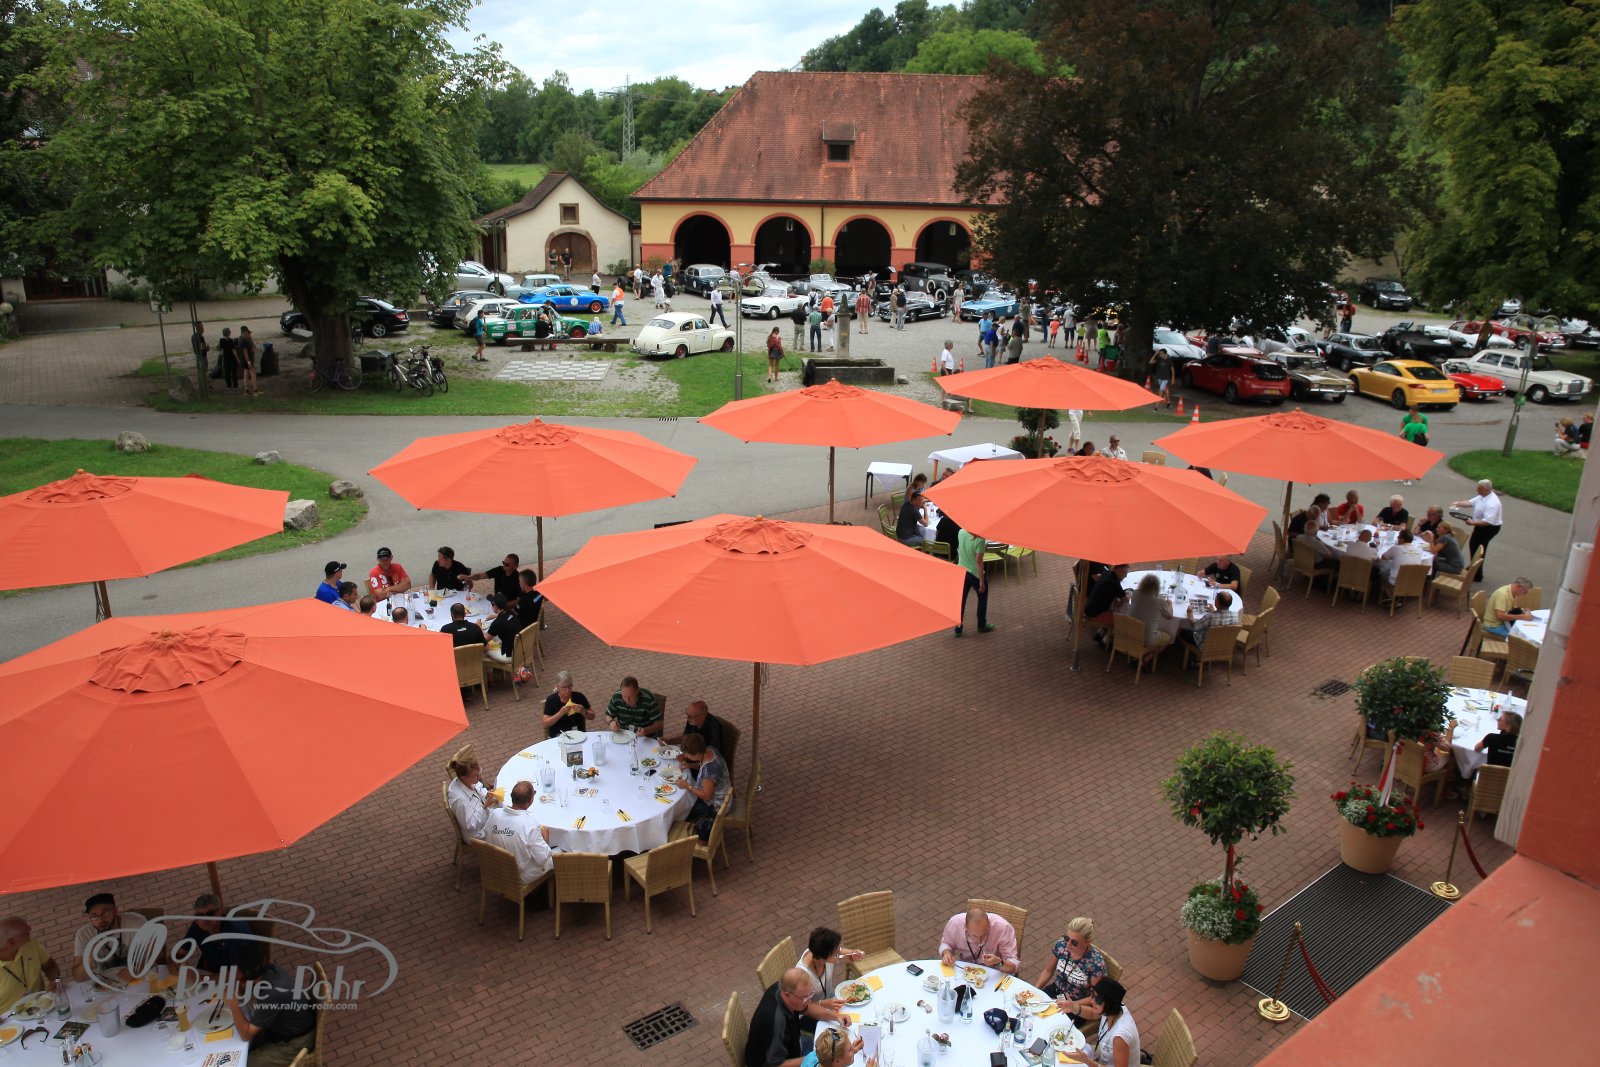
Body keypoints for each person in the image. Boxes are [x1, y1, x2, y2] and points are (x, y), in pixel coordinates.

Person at [221, 934, 317, 1067]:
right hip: (284, 1027)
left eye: (237, 969)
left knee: (245, 1062)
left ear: (246, 973)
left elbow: (246, 1034)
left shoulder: (270, 994)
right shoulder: (271, 969)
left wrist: (233, 1004)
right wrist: (242, 984)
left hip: (297, 1041)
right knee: (234, 1044)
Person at [796, 928, 863, 1047]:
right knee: (842, 1034)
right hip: (807, 1015)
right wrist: (824, 1005)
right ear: (824, 957)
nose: (839, 954)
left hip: (827, 1001)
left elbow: (841, 951)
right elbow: (802, 1007)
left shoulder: (818, 951)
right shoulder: (802, 976)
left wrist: (852, 953)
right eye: (836, 953)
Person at [482, 781, 553, 884]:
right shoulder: (530, 825)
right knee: (558, 854)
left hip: (495, 866)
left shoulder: (494, 813)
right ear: (531, 800)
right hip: (520, 875)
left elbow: (485, 834)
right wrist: (545, 839)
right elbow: (542, 858)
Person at [1036, 917, 1107, 1019]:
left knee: (1049, 1022)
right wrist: (1035, 990)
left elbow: (1094, 996)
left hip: (1077, 1003)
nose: (1068, 945)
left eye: (1074, 942)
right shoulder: (1061, 945)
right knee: (1030, 1010)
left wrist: (1072, 1005)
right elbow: (1048, 971)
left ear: (1087, 942)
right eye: (1067, 938)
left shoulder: (1096, 964)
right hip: (1056, 990)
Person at [72, 893, 151, 981]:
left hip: (139, 980)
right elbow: (77, 977)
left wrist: (136, 971)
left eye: (105, 912)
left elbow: (157, 954)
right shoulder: (84, 934)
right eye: (94, 916)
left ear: (115, 910)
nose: (101, 920)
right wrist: (86, 963)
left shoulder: (136, 922)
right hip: (106, 983)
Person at [745, 968, 814, 1067]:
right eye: (805, 997)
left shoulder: (783, 987)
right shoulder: (777, 1022)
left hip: (792, 1045)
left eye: (811, 994)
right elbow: (775, 1064)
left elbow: (807, 1008)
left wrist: (834, 1016)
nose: (809, 1001)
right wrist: (813, 1058)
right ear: (788, 995)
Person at [180, 894, 251, 976]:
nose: (205, 919)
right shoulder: (197, 926)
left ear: (220, 912)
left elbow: (239, 973)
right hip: (213, 971)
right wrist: (177, 964)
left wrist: (204, 979)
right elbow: (179, 954)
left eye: (210, 914)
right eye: (200, 915)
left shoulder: (235, 932)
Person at [673, 733, 729, 836]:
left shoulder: (708, 772)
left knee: (682, 807)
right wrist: (689, 765)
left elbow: (707, 797)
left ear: (696, 753)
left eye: (687, 754)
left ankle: (688, 833)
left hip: (715, 806)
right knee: (686, 799)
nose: (685, 756)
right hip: (724, 796)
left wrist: (687, 786)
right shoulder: (710, 750)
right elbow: (702, 765)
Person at [937, 906, 1021, 975]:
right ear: (965, 927)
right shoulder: (955, 924)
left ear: (989, 925)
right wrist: (946, 953)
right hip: (965, 970)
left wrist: (999, 962)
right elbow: (946, 943)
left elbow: (1013, 966)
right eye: (974, 936)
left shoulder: (1003, 928)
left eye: (984, 934)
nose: (979, 941)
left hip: (994, 973)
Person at [0, 917, 60, 1013]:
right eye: (25, 929)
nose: (30, 928)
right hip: (9, 1018)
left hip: (42, 1007)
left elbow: (49, 965)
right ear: (11, 942)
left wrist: (55, 981)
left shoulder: (30, 944)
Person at [1076, 978, 1139, 1067]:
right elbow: (1093, 1014)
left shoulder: (1120, 1037)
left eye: (1098, 1000)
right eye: (1092, 995)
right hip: (1103, 1057)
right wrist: (1074, 1008)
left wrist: (1087, 1061)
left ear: (1110, 1003)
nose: (1092, 1001)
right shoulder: (1113, 1010)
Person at [1451, 479, 1503, 582]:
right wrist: (1458, 503)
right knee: (1474, 545)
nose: (1477, 490)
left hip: (1489, 528)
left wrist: (1472, 523)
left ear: (1487, 489)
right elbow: (1470, 502)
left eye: (1480, 489)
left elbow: (1488, 522)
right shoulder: (1482, 496)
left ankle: (1477, 574)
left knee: (1478, 548)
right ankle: (1474, 568)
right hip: (1481, 525)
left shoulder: (1492, 503)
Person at [1121, 574, 1175, 660]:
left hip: (1130, 631)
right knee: (1169, 637)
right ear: (1157, 587)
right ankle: (1146, 658)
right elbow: (1169, 616)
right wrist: (1170, 604)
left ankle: (1137, 652)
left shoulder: (1135, 593)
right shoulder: (1159, 600)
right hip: (1147, 638)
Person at [445, 746, 494, 841]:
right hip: (477, 835)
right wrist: (485, 806)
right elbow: (470, 825)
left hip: (486, 819)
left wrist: (486, 795)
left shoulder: (468, 781)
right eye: (475, 776)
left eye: (479, 773)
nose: (479, 778)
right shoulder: (460, 800)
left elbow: (480, 789)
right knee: (509, 831)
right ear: (464, 778)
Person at [954, 525, 996, 637]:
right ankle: (981, 624)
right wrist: (981, 581)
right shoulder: (980, 540)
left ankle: (958, 628)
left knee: (961, 600)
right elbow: (979, 562)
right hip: (975, 574)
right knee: (982, 598)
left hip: (963, 571)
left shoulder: (961, 532)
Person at [1086, 563, 1131, 644]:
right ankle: (1106, 641)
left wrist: (1117, 598)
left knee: (1114, 607)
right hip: (1096, 614)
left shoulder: (1106, 574)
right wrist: (1129, 594)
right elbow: (1127, 600)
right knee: (1120, 618)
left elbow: (1111, 592)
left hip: (1089, 607)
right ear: (1119, 570)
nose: (1125, 576)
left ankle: (1100, 633)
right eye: (1125, 573)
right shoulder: (1114, 583)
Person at [541, 670, 594, 736]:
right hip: (558, 736)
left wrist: (584, 711)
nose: (567, 690)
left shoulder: (579, 697)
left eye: (569, 686)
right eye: (564, 687)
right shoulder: (551, 700)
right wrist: (560, 713)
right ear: (557, 686)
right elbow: (545, 724)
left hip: (579, 735)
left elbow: (592, 716)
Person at [483, 593, 522, 663]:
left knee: (483, 648)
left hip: (507, 655)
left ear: (495, 606)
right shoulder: (511, 612)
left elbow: (483, 640)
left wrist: (478, 627)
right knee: (492, 637)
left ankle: (487, 670)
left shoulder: (497, 623)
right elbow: (504, 616)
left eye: (492, 605)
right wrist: (496, 615)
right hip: (518, 649)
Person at [237, 325, 259, 396]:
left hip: (246, 360)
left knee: (246, 373)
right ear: (244, 333)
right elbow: (245, 353)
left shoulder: (244, 338)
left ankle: (246, 390)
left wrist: (253, 346)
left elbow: (252, 344)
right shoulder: (243, 342)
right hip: (247, 360)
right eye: (247, 334)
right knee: (253, 373)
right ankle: (255, 390)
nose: (249, 335)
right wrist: (249, 362)